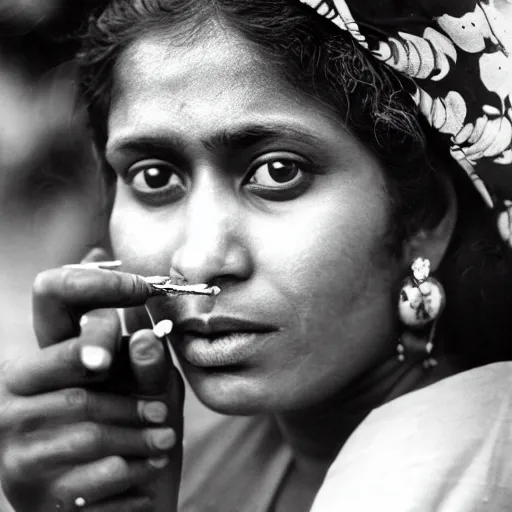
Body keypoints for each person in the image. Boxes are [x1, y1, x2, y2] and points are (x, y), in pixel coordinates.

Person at [0, 0, 511, 511]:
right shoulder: (196, 462)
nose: (198, 261)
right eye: (154, 177)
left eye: (278, 172)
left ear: (422, 215)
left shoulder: (477, 471)